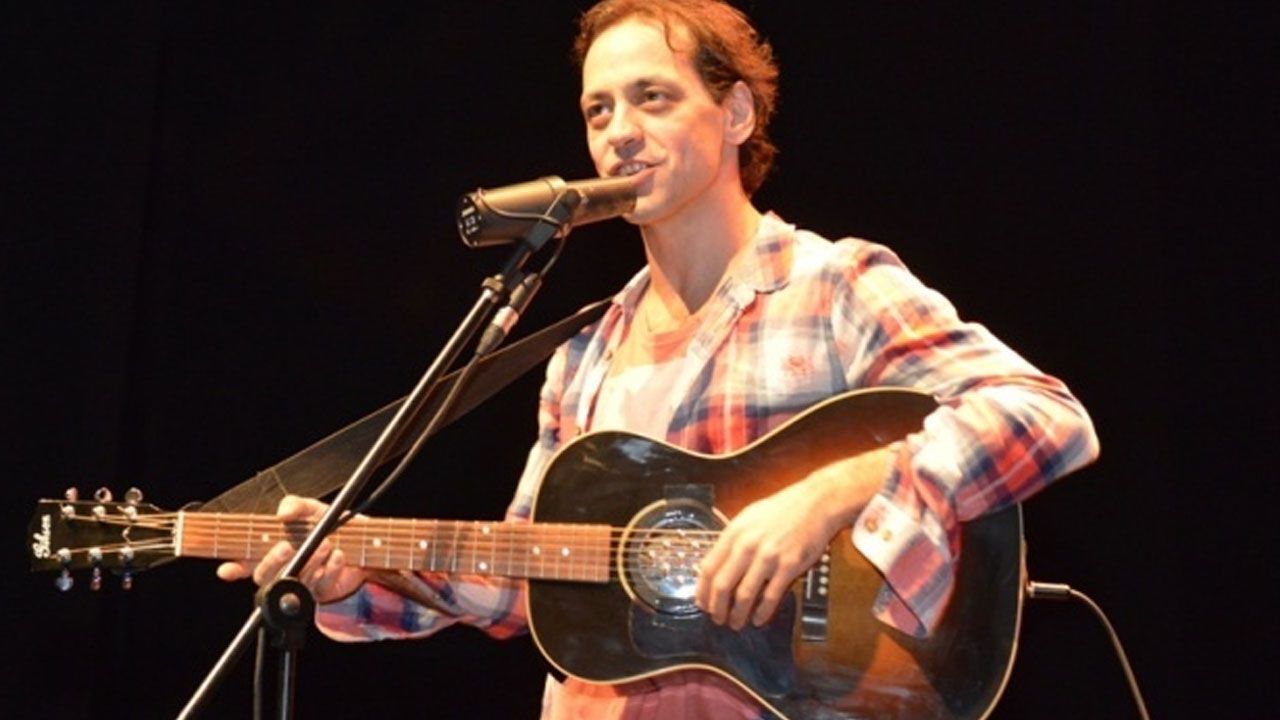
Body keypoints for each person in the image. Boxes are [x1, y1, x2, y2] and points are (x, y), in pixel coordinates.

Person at [219, 0, 1100, 716]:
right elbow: (522, 582)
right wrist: (353, 569)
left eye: (653, 97)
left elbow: (1044, 414)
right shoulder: (585, 353)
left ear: (736, 113)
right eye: (599, 110)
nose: (621, 132)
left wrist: (828, 494)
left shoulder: (832, 286)